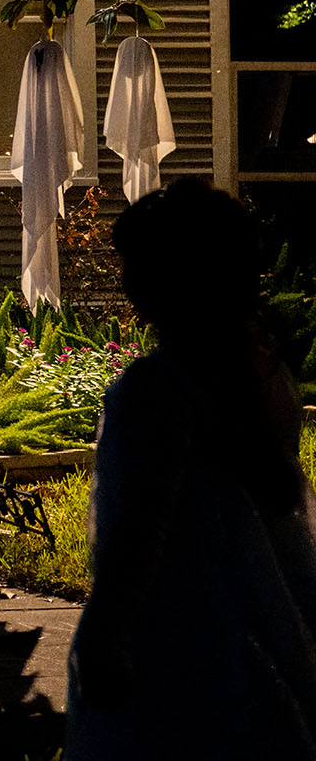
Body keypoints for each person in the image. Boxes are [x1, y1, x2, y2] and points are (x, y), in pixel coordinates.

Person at [66, 179, 316, 758]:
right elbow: (280, 496)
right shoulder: (264, 375)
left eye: (134, 266)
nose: (126, 283)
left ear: (169, 278)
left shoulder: (155, 390)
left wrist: (106, 635)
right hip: (258, 614)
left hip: (171, 626)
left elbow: (140, 525)